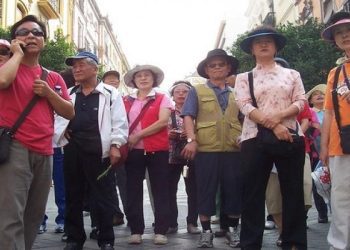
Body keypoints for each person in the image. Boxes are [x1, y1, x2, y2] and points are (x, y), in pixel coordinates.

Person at [0, 15, 74, 250]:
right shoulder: (7, 67)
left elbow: (69, 112)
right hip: (15, 147)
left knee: (34, 215)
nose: (31, 35)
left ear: (44, 41)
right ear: (14, 40)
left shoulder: (53, 77)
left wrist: (50, 93)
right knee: (10, 215)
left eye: (37, 32)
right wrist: (18, 54)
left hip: (46, 150)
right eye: (23, 32)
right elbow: (2, 81)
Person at [235, 26, 307, 250]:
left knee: (293, 191)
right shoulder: (244, 77)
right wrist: (274, 124)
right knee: (252, 194)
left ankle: (293, 242)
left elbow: (300, 101)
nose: (263, 45)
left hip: (290, 137)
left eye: (268, 41)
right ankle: (250, 243)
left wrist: (280, 117)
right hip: (253, 138)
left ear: (276, 46)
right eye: (258, 42)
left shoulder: (292, 74)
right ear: (252, 49)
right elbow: (244, 105)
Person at [57, 51, 128, 250]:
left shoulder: (110, 93)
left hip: (100, 152)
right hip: (73, 150)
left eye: (81, 65)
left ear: (95, 69)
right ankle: (74, 238)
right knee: (73, 195)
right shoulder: (69, 92)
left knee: (103, 197)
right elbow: (57, 116)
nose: (76, 69)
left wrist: (116, 145)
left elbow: (120, 122)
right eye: (74, 66)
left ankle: (106, 239)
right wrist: (63, 131)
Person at [182, 48, 242, 248]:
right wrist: (192, 139)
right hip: (206, 149)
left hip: (234, 149)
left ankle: (232, 229)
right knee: (205, 191)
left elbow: (245, 118)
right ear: (206, 70)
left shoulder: (237, 92)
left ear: (228, 68)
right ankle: (206, 231)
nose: (217, 68)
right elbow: (188, 115)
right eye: (212, 65)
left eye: (221, 64)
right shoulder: (196, 91)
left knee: (234, 190)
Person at [122, 64, 173, 245]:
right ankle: (136, 230)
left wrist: (138, 135)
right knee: (132, 190)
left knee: (160, 190)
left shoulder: (162, 98)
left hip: (157, 150)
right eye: (139, 76)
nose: (143, 78)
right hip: (132, 151)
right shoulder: (125, 100)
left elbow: (163, 122)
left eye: (147, 75)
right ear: (134, 81)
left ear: (153, 79)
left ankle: (160, 230)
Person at [320, 11, 350, 250]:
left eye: (348, 30)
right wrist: (323, 149)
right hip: (341, 144)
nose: (345, 36)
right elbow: (328, 113)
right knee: (341, 198)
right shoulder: (335, 73)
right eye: (339, 33)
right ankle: (340, 245)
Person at [167, 80, 200, 235]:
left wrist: (192, 134)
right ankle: (171, 222)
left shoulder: (197, 111)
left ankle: (192, 222)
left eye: (185, 91)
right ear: (172, 96)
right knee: (169, 189)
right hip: (171, 156)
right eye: (177, 92)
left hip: (190, 156)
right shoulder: (166, 111)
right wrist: (168, 134)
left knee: (193, 190)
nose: (181, 94)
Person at [306, 84, 329, 223]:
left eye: (323, 93)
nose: (320, 96)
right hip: (315, 152)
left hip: (332, 151)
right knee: (317, 181)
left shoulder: (330, 112)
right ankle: (322, 213)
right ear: (311, 100)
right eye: (316, 94)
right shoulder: (309, 112)